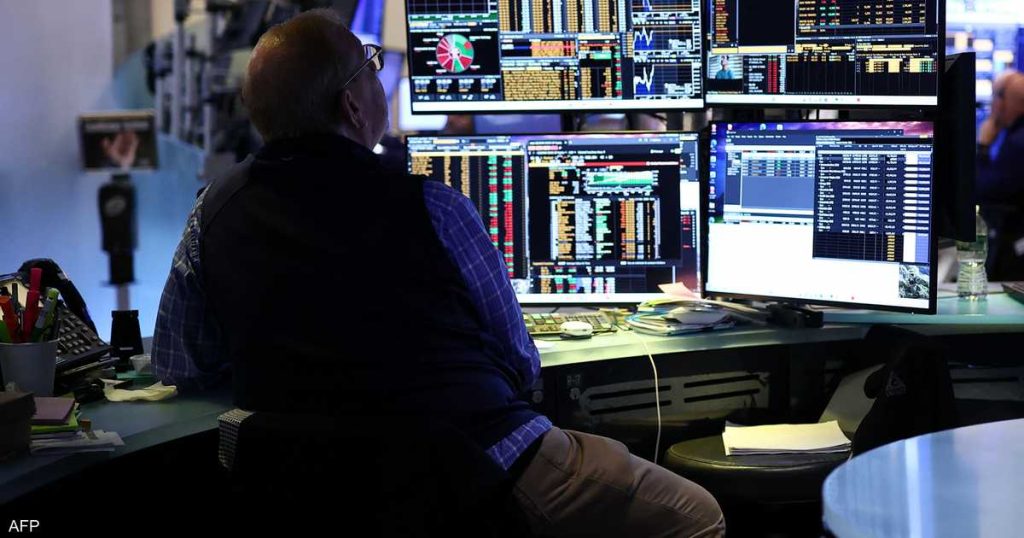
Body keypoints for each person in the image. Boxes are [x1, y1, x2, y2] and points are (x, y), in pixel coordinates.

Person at [152, 9, 723, 537]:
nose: (381, 78)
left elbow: (180, 365)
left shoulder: (213, 213)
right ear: (352, 106)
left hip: (318, 497)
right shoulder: (432, 206)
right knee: (697, 516)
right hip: (486, 466)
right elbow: (522, 364)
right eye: (372, 66)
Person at [977, 70, 1024, 279]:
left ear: (1004, 101)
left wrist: (983, 147)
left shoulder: (1018, 143)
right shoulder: (1015, 135)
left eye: (994, 98)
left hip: (1015, 254)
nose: (991, 107)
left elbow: (984, 190)